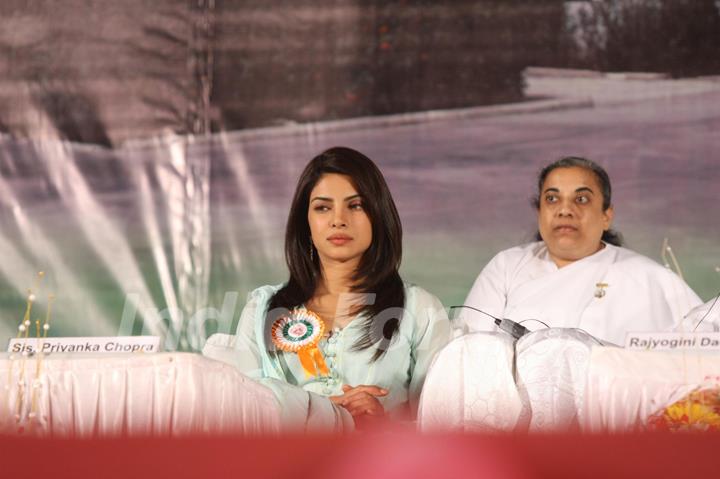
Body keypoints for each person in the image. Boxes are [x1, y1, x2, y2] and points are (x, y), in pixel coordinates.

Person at [206, 146, 449, 432]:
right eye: (323, 207)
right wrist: (324, 412)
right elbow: (243, 415)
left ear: (378, 214)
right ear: (305, 223)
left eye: (355, 205)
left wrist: (385, 425)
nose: (338, 219)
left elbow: (444, 428)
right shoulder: (261, 309)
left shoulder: (421, 309)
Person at [456, 157, 705, 345]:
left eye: (581, 199)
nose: (565, 210)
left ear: (607, 215)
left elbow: (699, 349)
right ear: (539, 211)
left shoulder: (648, 277)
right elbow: (467, 350)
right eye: (552, 199)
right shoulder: (506, 266)